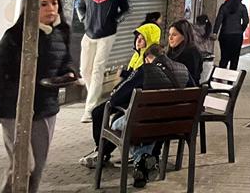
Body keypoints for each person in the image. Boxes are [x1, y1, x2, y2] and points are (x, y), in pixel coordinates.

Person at [0, 0, 75, 193]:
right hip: (13, 109)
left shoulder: (61, 33)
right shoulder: (15, 36)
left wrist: (69, 73)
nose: (51, 8)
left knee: (37, 169)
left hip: (45, 109)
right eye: (43, 4)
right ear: (31, 7)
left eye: (54, 3)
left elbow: (66, 61)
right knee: (23, 166)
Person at [96, 43, 191, 185]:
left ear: (147, 58)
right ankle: (143, 162)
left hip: (147, 124)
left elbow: (115, 99)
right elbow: (192, 91)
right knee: (147, 129)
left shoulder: (144, 70)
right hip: (175, 125)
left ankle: (141, 159)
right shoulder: (183, 69)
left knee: (119, 124)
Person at [79, 21, 161, 168]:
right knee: (105, 113)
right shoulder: (138, 57)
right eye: (137, 38)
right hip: (135, 102)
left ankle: (102, 153)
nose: (138, 41)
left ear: (151, 40)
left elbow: (133, 82)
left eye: (142, 39)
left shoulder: (147, 62)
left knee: (107, 115)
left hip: (134, 103)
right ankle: (102, 151)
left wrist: (114, 96)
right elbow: (131, 79)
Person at [76, 0, 130, 122]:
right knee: (84, 70)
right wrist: (84, 19)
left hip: (107, 35)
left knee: (97, 69)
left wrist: (115, 21)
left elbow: (126, 9)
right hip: (89, 33)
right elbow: (80, 6)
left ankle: (90, 110)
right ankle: (94, 97)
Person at [215, 0, 249, 69]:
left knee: (224, 58)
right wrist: (241, 30)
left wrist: (215, 32)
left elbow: (219, 20)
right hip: (237, 36)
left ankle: (221, 75)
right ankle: (232, 76)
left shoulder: (224, 6)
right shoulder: (242, 7)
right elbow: (246, 21)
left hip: (225, 35)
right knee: (235, 59)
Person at [166, 18, 203, 85]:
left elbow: (192, 77)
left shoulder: (192, 52)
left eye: (174, 35)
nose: (170, 38)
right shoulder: (171, 51)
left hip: (187, 89)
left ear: (184, 36)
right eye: (169, 34)